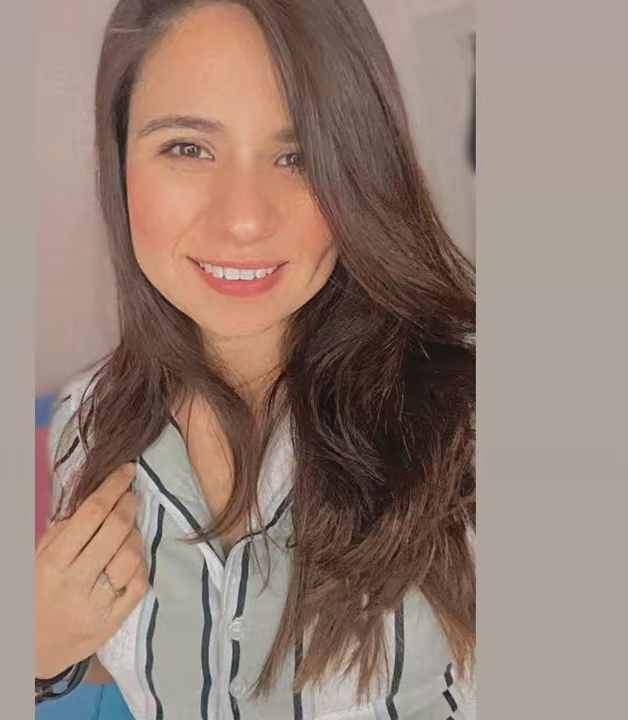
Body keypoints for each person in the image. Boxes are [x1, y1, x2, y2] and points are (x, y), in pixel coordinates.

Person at [35, 0, 476, 718]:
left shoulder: (467, 426)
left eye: (297, 156)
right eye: (188, 148)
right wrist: (38, 656)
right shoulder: (85, 427)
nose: (243, 219)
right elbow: (120, 653)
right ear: (118, 162)